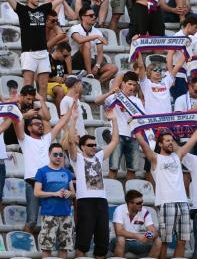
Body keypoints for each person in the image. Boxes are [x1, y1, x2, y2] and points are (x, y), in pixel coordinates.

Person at [135, 127, 197, 259]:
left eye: (172, 140)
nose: (170, 142)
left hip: (183, 203)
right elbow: (144, 145)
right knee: (165, 241)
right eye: (167, 140)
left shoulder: (177, 156)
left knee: (182, 241)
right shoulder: (155, 158)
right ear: (160, 144)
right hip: (166, 203)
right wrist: (136, 129)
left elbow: (193, 140)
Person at [13, 97, 73, 234]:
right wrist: (24, 115)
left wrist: (72, 109)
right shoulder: (24, 139)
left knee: (52, 217)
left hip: (49, 183)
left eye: (41, 124)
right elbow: (17, 123)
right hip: (33, 182)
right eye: (36, 124)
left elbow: (60, 123)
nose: (40, 126)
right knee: (32, 219)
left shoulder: (47, 139)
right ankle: (26, 246)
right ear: (29, 127)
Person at [67, 109, 119, 259]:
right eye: (90, 145)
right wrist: (73, 119)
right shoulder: (76, 158)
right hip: (85, 201)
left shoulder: (98, 156)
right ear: (82, 146)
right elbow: (71, 141)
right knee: (83, 241)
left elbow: (115, 141)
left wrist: (114, 120)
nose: (93, 147)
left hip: (101, 201)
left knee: (102, 243)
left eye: (94, 145)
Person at [34, 143, 76, 259]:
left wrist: (69, 194)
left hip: (66, 214)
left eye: (60, 154)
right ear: (49, 154)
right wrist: (54, 194)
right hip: (49, 214)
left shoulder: (67, 172)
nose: (58, 157)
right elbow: (37, 192)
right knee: (46, 247)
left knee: (64, 248)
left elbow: (73, 193)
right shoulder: (42, 171)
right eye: (55, 154)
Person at [111, 189, 162, 258]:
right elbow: (119, 231)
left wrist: (147, 236)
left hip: (138, 242)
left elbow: (154, 231)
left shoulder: (144, 211)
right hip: (123, 241)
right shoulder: (119, 210)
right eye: (138, 203)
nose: (141, 205)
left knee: (158, 241)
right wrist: (137, 236)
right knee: (121, 239)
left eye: (142, 202)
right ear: (129, 203)